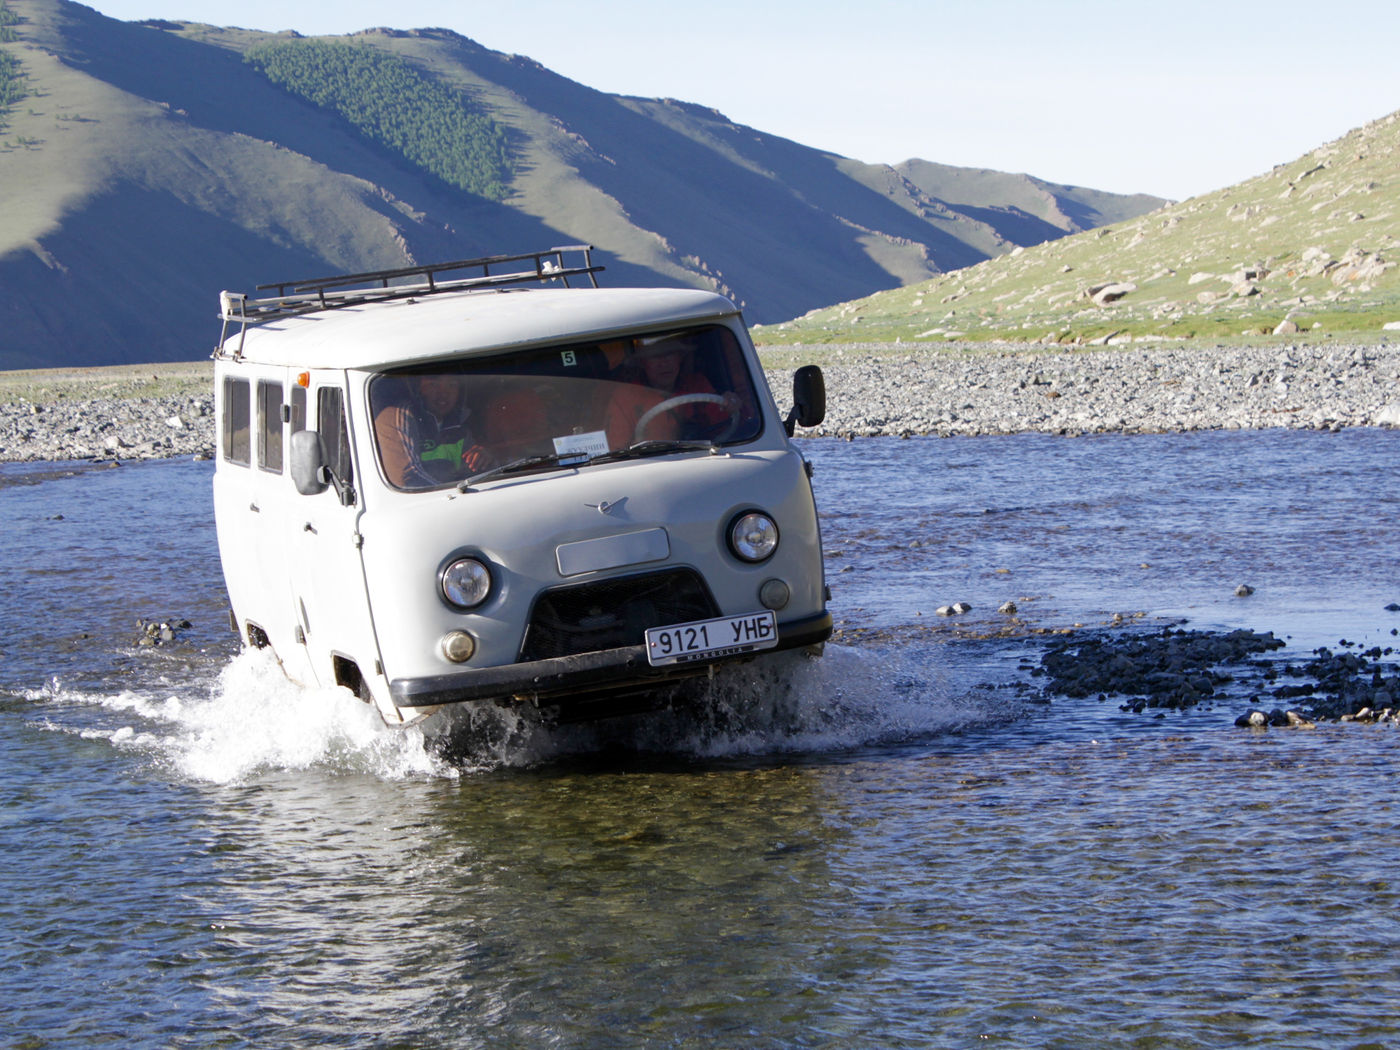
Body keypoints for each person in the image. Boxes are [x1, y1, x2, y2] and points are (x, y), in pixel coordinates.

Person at [602, 339, 734, 448]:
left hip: (705, 459)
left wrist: (731, 405)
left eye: (669, 354)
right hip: (652, 466)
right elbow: (618, 449)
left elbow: (727, 428)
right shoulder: (625, 396)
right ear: (642, 363)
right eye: (654, 356)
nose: (664, 362)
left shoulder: (698, 385)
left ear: (679, 358)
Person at [374, 373, 473, 488]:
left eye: (452, 385)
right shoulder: (397, 418)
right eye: (433, 384)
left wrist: (486, 459)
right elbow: (408, 479)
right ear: (418, 388)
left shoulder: (459, 422)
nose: (444, 393)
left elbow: (472, 475)